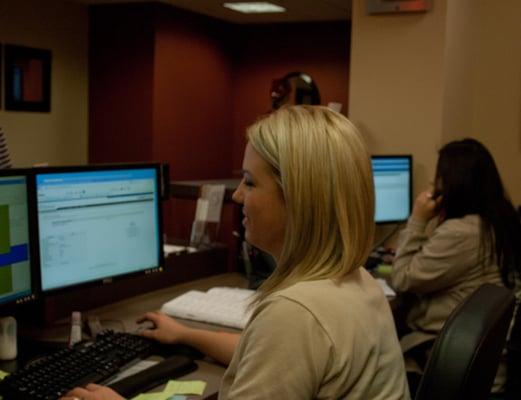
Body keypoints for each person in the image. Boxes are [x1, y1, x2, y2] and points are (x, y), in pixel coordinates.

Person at [61, 105, 410, 400]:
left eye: (250, 181)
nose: (238, 196)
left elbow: (285, 343)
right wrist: (185, 334)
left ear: (299, 199)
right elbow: (270, 355)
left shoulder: (296, 314)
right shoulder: (355, 280)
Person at [391, 138, 521, 393]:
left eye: (438, 177)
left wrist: (417, 219)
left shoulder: (462, 233)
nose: (432, 186)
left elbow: (402, 279)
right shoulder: (499, 220)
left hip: (451, 365)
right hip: (485, 364)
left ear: (454, 183)